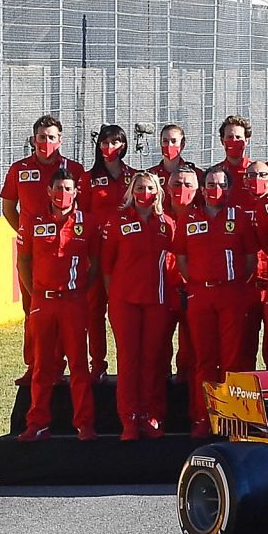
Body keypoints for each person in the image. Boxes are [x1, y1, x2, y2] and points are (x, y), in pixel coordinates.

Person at [20, 173, 98, 438]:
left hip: (74, 303)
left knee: (78, 365)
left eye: (67, 188)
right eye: (58, 188)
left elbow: (95, 264)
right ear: (48, 191)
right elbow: (24, 262)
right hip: (43, 302)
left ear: (76, 192)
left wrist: (79, 291)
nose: (62, 193)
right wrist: (36, 294)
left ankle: (84, 423)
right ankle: (37, 422)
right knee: (42, 366)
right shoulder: (35, 221)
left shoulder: (86, 223)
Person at [101, 171, 178, 438]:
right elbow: (107, 266)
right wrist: (115, 296)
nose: (145, 194)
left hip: (157, 300)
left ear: (159, 192)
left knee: (153, 360)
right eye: (140, 188)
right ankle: (129, 417)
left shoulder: (167, 224)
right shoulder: (117, 222)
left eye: (150, 189)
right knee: (128, 360)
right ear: (131, 192)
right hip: (125, 303)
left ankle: (150, 414)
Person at [178, 165, 259, 387]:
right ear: (202, 190)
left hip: (231, 293)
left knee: (232, 359)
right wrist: (198, 280)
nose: (216, 190)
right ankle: (202, 416)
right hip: (200, 293)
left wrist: (234, 281)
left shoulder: (240, 217)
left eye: (222, 185)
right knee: (204, 359)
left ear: (230, 189)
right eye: (211, 185)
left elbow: (251, 258)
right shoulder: (189, 218)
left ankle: (230, 416)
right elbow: (182, 259)